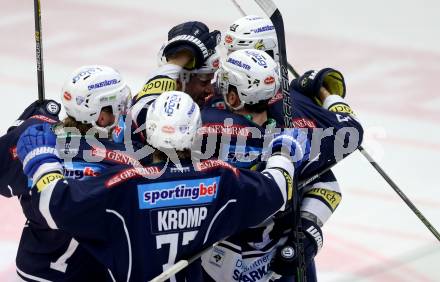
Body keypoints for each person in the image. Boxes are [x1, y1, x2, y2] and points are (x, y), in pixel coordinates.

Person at [16, 90, 307, 282]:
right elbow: (279, 190)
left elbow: (53, 203)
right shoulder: (222, 178)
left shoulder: (124, 184)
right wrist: (284, 151)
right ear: (195, 133)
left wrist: (41, 161)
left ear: (150, 133)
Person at [199, 45, 363, 281]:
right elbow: (351, 130)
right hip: (274, 260)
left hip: (217, 263)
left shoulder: (204, 124)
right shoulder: (296, 138)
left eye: (223, 82)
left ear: (233, 96)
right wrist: (325, 92)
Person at [0, 65, 132, 281]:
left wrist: (24, 124)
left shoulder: (34, 139)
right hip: (88, 274)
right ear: (100, 117)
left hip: (34, 269)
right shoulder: (121, 163)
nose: (123, 111)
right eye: (117, 106)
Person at [129, 20, 221, 144]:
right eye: (204, 81)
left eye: (211, 80)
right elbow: (140, 112)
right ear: (177, 82)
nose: (210, 90)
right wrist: (184, 51)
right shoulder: (145, 111)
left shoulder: (212, 104)